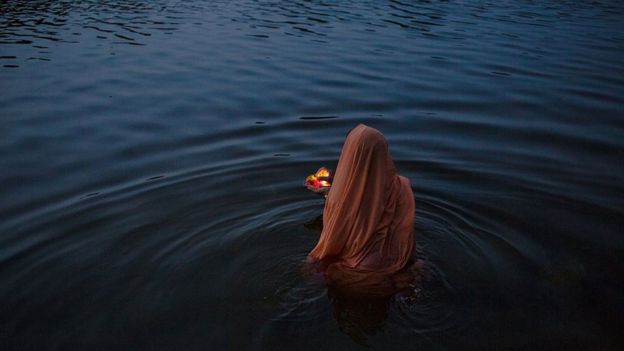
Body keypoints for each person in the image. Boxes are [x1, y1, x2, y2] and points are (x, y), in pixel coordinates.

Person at [307, 124, 418, 296]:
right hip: (384, 273)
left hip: (345, 277)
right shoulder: (401, 187)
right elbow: (405, 238)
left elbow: (335, 234)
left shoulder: (337, 194)